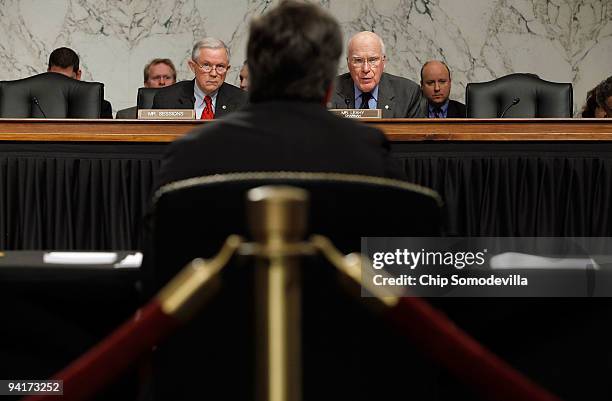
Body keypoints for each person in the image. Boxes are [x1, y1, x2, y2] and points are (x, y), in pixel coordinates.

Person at [149, 4, 437, 401]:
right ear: (328, 83)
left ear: (254, 73)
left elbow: (156, 285)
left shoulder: (187, 157)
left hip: (207, 377)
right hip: (357, 378)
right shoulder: (373, 158)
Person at [329, 31, 425, 117]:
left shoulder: (408, 93)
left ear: (383, 62)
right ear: (348, 63)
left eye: (372, 60)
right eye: (358, 61)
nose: (366, 69)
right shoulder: (328, 91)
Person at [151, 38, 247, 119]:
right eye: (206, 65)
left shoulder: (244, 102)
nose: (213, 73)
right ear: (192, 66)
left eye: (220, 66)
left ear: (228, 69)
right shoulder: (167, 99)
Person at [47, 47, 113, 118]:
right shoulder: (35, 103)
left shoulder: (99, 108)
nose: (61, 85)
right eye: (56, 78)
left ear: (78, 75)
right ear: (47, 73)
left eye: (68, 80)